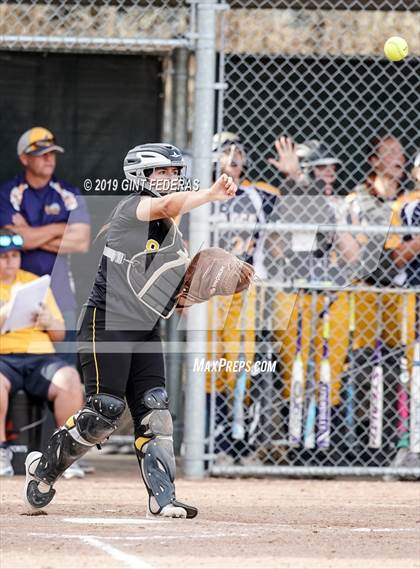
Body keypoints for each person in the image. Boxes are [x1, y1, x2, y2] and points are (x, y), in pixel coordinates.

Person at [22, 143, 241, 519]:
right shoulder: (131, 207)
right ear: (141, 176)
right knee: (104, 410)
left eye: (174, 173)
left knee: (154, 408)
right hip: (105, 322)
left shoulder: (173, 232)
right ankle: (44, 470)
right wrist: (210, 194)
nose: (171, 179)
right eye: (162, 173)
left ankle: (163, 497)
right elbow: (167, 206)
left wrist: (191, 295)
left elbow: (169, 287)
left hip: (143, 327)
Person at [266, 138, 359, 443]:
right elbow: (276, 251)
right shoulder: (285, 203)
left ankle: (322, 439)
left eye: (332, 167)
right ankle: (291, 437)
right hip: (295, 294)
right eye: (321, 168)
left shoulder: (341, 204)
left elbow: (352, 255)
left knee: (330, 368)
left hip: (332, 295)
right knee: (294, 368)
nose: (330, 172)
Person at [207, 132, 278, 466]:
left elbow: (297, 205)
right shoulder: (201, 196)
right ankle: (209, 440)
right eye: (225, 151)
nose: (234, 156)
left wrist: (293, 175)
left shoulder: (258, 195)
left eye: (239, 151)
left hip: (243, 291)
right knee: (208, 366)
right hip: (206, 292)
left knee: (240, 364)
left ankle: (237, 441)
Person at [0, 127, 91, 362]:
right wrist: (62, 227)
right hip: (13, 297)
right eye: (42, 153)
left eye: (52, 153)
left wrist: (30, 233)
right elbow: (19, 240)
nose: (49, 158)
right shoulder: (8, 193)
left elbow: (81, 242)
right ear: (24, 158)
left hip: (60, 295)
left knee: (64, 373)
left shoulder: (68, 193)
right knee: (15, 374)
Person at [0, 229, 84, 478]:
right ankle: (1, 451)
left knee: (69, 378)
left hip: (39, 357)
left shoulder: (34, 283)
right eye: (4, 256)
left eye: (15, 256)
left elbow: (58, 334)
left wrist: (48, 320)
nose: (10, 261)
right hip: (4, 357)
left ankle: (66, 454)